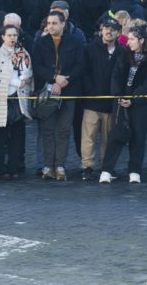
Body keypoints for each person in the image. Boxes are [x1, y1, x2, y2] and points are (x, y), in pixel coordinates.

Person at [99, 25, 147, 184]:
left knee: (138, 137)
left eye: (132, 39)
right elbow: (115, 76)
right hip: (121, 101)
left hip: (141, 105)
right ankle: (106, 170)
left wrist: (134, 99)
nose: (129, 43)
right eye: (128, 39)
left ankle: (134, 170)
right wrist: (119, 96)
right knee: (116, 135)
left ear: (141, 40)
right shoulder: (123, 56)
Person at [31, 11, 84, 181]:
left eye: (54, 23)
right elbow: (37, 66)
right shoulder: (40, 43)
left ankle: (60, 165)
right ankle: (48, 165)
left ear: (63, 24)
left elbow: (80, 65)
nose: (51, 26)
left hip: (68, 90)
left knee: (63, 129)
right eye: (49, 23)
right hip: (47, 91)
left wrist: (64, 81)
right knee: (47, 129)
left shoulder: (75, 41)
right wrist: (54, 79)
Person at [0, 24, 32, 180]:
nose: (12, 38)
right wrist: (16, 81)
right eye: (9, 35)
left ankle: (14, 166)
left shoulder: (23, 54)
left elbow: (27, 74)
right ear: (2, 36)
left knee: (17, 136)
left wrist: (19, 81)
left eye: (15, 35)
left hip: (17, 99)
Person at [81, 18, 125, 180]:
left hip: (112, 103)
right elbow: (84, 72)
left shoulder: (123, 52)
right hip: (92, 102)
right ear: (101, 30)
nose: (109, 31)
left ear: (118, 32)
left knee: (109, 138)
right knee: (88, 137)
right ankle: (87, 167)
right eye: (106, 28)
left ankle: (107, 167)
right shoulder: (90, 48)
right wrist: (90, 91)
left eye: (113, 29)